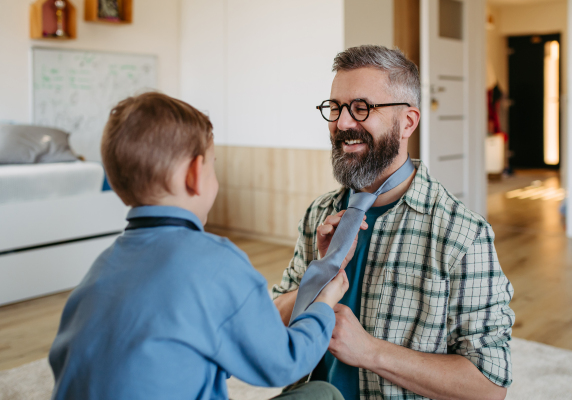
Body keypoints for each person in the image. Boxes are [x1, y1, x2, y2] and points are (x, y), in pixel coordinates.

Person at [48, 92, 358, 400]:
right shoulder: (217, 262)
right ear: (196, 173)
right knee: (322, 394)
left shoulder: (100, 268)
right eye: (213, 165)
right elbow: (285, 362)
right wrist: (324, 302)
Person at [273, 45, 515, 400]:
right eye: (335, 108)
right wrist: (320, 274)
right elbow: (268, 322)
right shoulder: (318, 214)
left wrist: (371, 352)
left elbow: (488, 387)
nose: (341, 123)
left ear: (408, 122)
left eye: (361, 108)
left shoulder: (462, 235)